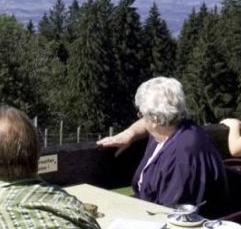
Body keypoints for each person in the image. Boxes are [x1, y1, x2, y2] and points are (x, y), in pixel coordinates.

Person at [97, 77, 229, 217]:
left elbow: (170, 213)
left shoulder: (182, 156)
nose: (141, 118)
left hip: (172, 221)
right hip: (147, 208)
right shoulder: (172, 126)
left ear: (155, 119)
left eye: (142, 114)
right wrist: (129, 133)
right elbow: (144, 123)